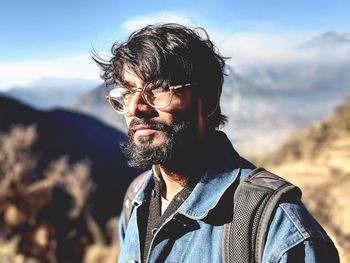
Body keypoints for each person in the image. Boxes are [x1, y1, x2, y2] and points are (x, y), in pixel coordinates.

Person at [94, 23, 339, 263]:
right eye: (127, 92)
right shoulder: (136, 199)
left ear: (208, 101)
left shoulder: (277, 227)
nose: (135, 107)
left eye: (158, 88)